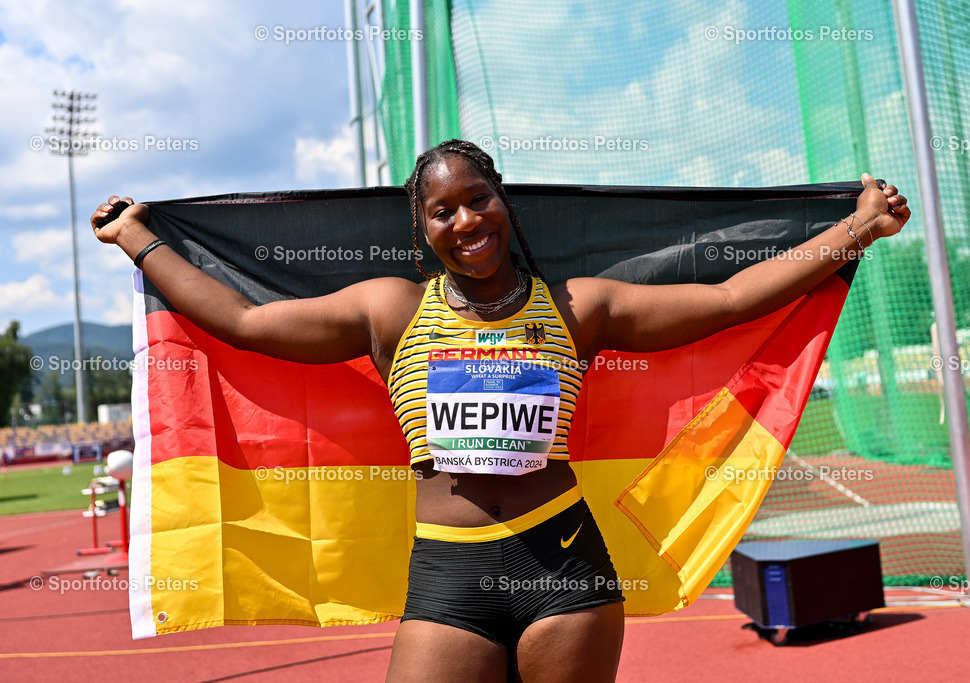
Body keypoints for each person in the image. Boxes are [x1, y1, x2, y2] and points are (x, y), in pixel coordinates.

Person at [92, 139, 910, 682]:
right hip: (447, 577)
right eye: (443, 211)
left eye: (477, 199)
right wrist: (138, 238)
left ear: (503, 204)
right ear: (424, 231)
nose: (465, 220)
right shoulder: (390, 309)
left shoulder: (577, 307)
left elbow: (731, 296)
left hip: (567, 570)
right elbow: (241, 323)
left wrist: (858, 229)